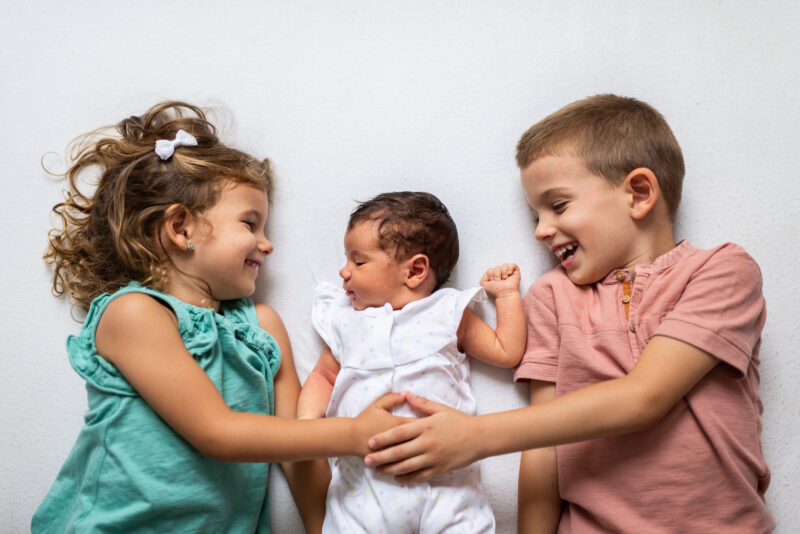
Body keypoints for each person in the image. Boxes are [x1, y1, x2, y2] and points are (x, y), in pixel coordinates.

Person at [364, 95, 775, 533]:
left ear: (639, 194)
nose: (541, 231)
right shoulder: (551, 297)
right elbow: (544, 448)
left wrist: (475, 436)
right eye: (534, 217)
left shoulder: (722, 271)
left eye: (558, 206)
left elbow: (644, 398)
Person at [32, 101, 406, 533]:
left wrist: (325, 526)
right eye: (250, 223)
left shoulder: (261, 329)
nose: (267, 244)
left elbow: (298, 448)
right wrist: (353, 434)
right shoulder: (133, 313)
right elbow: (217, 432)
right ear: (181, 228)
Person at [297, 191, 526, 533]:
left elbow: (506, 351)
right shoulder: (346, 319)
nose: (343, 271)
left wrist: (507, 296)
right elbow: (324, 376)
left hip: (447, 485)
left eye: (358, 262)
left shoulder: (447, 312)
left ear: (415, 270)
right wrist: (307, 422)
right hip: (365, 488)